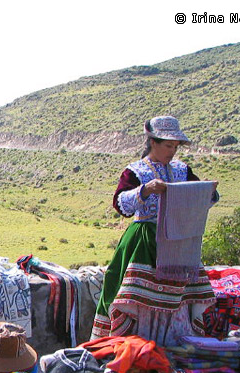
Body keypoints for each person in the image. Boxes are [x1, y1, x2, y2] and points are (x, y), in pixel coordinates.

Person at [90, 115, 219, 346]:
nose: (173, 151)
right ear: (153, 143)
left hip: (177, 242)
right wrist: (145, 190)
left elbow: (202, 200)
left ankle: (171, 344)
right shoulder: (136, 171)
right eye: (168, 145)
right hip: (144, 241)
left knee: (178, 298)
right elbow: (120, 204)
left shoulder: (182, 170)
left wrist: (207, 190)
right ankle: (137, 345)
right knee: (133, 296)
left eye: (175, 146)